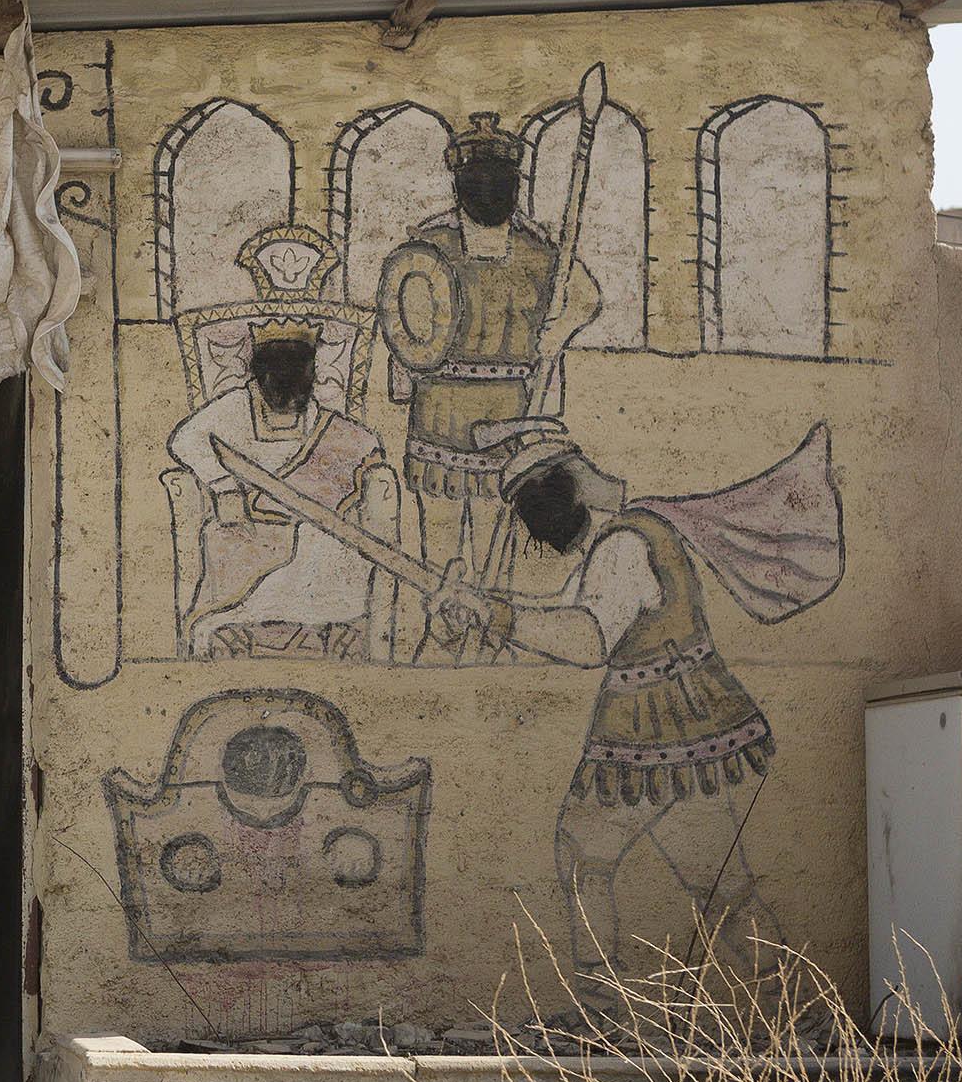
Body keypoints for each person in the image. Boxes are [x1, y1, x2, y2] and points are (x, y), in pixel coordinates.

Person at [436, 418, 843, 990]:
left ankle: (603, 1009)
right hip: (686, 729)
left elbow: (587, 637)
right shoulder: (636, 530)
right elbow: (567, 607)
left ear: (565, 486)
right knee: (718, 883)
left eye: (534, 506)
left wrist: (497, 616)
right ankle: (793, 1007)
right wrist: (486, 605)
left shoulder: (624, 544)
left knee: (583, 855)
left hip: (651, 734)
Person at [377, 113, 601, 655]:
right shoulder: (428, 247)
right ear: (459, 184)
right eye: (478, 179)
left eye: (499, 179)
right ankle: (445, 633)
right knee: (442, 538)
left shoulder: (542, 250)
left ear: (514, 185)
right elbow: (401, 320)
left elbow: (586, 299)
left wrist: (560, 329)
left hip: (512, 416)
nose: (488, 189)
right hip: (441, 413)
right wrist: (408, 379)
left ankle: (493, 632)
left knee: (500, 537)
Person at [164, 321, 395, 658]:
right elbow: (183, 440)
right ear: (260, 375)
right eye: (278, 373)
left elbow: (364, 446)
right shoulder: (234, 408)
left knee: (330, 548)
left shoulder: (328, 425)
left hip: (318, 534)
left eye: (297, 373)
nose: (288, 385)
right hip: (251, 534)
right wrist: (224, 487)